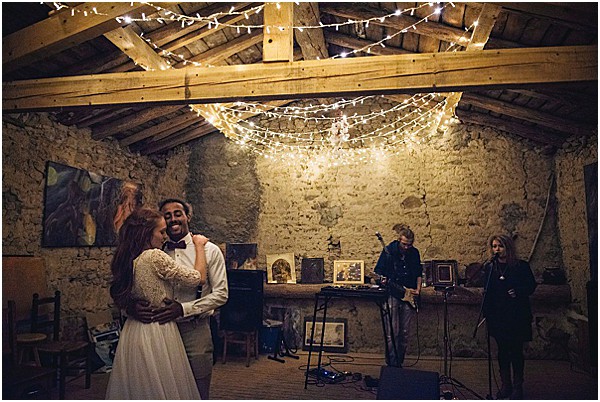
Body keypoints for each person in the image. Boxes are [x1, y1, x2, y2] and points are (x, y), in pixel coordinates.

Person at [128, 198, 228, 399]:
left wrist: (184, 309)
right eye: (167, 215)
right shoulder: (154, 247)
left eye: (178, 213)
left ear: (187, 216)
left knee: (198, 391)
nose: (173, 219)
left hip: (195, 330)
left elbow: (221, 294)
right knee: (163, 390)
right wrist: (130, 307)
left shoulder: (209, 250)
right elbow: (131, 286)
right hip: (159, 333)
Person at [106, 208, 209, 399]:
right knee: (163, 381)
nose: (165, 236)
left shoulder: (127, 257)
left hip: (133, 331)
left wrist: (130, 308)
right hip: (158, 329)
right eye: (161, 232)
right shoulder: (155, 256)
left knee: (139, 383)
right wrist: (200, 246)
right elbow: (199, 278)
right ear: (146, 233)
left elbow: (119, 293)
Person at [483, 234, 537, 400]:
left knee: (516, 351)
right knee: (503, 351)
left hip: (516, 315)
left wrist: (518, 291)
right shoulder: (491, 267)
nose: (497, 249)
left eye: (500, 246)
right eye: (494, 246)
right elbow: (487, 291)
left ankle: (517, 386)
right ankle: (505, 385)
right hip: (499, 317)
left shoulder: (521, 266)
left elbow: (531, 286)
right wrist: (487, 314)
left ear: (508, 247)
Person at [375, 224, 422, 367]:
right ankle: (392, 364)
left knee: (405, 333)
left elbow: (419, 273)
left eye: (409, 245)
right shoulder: (389, 251)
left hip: (409, 295)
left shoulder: (414, 253)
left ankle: (399, 362)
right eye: (404, 244)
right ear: (399, 240)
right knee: (392, 332)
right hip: (393, 294)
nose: (406, 247)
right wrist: (382, 280)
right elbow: (378, 272)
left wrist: (418, 289)